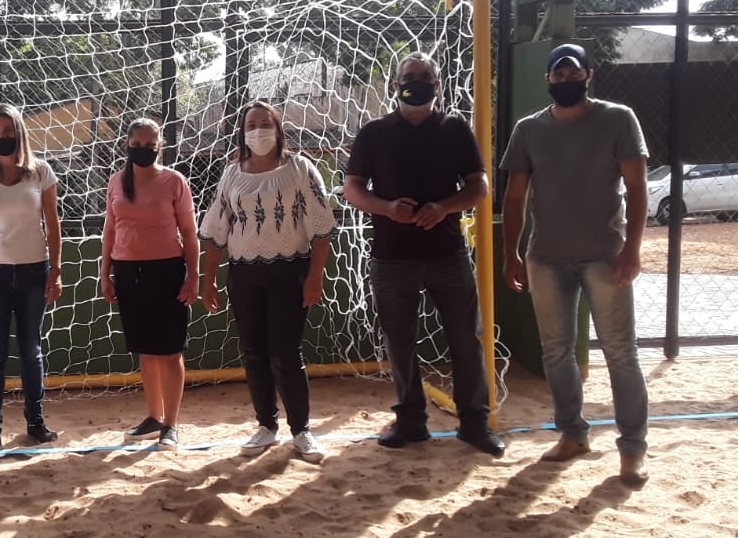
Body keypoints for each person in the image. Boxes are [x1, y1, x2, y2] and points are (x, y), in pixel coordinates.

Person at [501, 43, 650, 486]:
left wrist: (632, 249)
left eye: (573, 73)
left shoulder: (618, 119)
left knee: (621, 352)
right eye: (558, 75)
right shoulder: (528, 130)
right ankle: (572, 434)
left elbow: (638, 188)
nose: (565, 80)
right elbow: (514, 196)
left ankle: (633, 450)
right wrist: (511, 252)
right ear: (548, 80)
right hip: (546, 257)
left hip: (605, 255)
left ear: (589, 75)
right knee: (556, 352)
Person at [343, 52, 505, 457]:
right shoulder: (373, 133)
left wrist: (445, 207)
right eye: (408, 76)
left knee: (466, 341)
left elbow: (479, 185)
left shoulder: (454, 129)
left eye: (424, 76)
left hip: (447, 254)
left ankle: (474, 423)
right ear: (396, 84)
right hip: (390, 256)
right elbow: (352, 188)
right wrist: (386, 208)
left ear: (438, 82)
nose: (416, 81)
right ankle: (411, 421)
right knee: (399, 342)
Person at [199, 100, 337, 461]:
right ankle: (266, 425)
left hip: (289, 272)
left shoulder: (301, 169)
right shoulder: (231, 174)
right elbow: (216, 231)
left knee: (286, 352)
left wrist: (314, 277)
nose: (258, 130)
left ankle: (302, 431)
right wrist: (208, 278)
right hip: (244, 274)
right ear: (243, 132)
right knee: (254, 351)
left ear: (278, 129)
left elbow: (321, 230)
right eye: (251, 124)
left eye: (265, 123)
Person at [0, 103, 63, 452]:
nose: (2, 136)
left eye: (8, 131)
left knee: (31, 352)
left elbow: (52, 224)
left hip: (35, 272)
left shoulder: (41, 172)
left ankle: (36, 424)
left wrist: (56, 270)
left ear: (19, 132)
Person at [100, 118, 199, 451]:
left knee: (170, 352)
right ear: (127, 145)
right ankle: (153, 417)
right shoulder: (116, 181)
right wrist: (105, 272)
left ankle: (171, 425)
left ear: (160, 145)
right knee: (146, 350)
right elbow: (110, 230)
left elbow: (189, 232)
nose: (142, 149)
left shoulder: (175, 182)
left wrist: (193, 275)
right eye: (137, 144)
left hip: (167, 271)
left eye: (149, 144)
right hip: (128, 273)